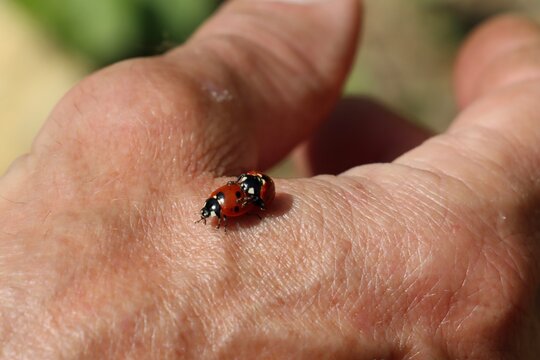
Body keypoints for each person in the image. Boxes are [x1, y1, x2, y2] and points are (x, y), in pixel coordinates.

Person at [1, 0, 539, 357]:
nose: (219, 211)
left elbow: (248, 199)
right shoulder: (234, 201)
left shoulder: (243, 199)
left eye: (220, 209)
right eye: (220, 209)